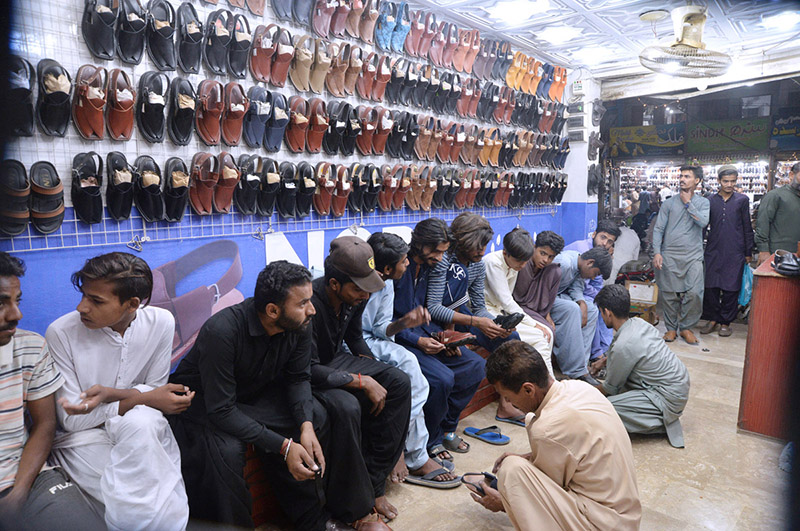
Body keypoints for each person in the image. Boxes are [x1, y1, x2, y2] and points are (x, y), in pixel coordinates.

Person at [169, 261, 385, 530]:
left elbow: (298, 378)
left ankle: (315, 521)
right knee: (227, 451)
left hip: (252, 395)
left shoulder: (301, 326)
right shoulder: (222, 331)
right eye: (303, 302)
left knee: (314, 416)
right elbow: (222, 410)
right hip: (203, 403)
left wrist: (305, 426)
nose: (312, 309)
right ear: (272, 310)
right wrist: (284, 446)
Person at [46, 252, 190, 530]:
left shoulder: (161, 322)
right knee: (141, 500)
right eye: (84, 295)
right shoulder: (61, 332)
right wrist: (144, 397)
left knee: (142, 423)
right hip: (83, 440)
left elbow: (153, 399)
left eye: (96, 300)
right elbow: (72, 420)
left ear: (132, 304)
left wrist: (112, 395)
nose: (81, 307)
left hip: (140, 428)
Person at [468, 340, 641, 530]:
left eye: (508, 397)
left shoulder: (548, 429)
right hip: (625, 517)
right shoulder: (578, 388)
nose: (509, 403)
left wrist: (505, 502)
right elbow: (574, 454)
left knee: (512, 469)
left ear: (528, 389)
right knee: (524, 448)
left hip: (601, 523)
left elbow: (541, 496)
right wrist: (531, 457)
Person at [309, 236, 411, 523]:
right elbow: (307, 369)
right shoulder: (309, 304)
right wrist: (361, 380)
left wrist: (373, 369)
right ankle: (355, 504)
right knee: (347, 406)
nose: (365, 296)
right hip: (311, 373)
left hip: (334, 362)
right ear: (333, 285)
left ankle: (374, 484)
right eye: (358, 289)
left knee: (398, 382)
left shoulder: (357, 294)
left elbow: (354, 337)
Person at [0, 252, 103, 531]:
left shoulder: (30, 347)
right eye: (1, 303)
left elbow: (45, 424)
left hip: (24, 476)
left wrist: (19, 494)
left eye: (16, 300)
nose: (16, 314)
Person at [364, 233, 459, 488]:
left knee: (414, 382)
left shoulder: (386, 283)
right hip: (354, 348)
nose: (407, 266)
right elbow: (351, 335)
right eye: (404, 262)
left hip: (377, 343)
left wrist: (405, 322)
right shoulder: (357, 283)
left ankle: (412, 454)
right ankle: (408, 454)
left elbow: (381, 327)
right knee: (415, 379)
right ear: (386, 268)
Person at [393, 219, 486, 465]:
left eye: (444, 252)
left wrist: (443, 338)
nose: (440, 257)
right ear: (419, 244)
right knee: (442, 379)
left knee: (474, 366)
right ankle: (431, 441)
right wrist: (420, 340)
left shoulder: (428, 268)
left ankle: (446, 429)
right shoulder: (400, 269)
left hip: (426, 335)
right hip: (403, 340)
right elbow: (388, 324)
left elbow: (428, 312)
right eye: (435, 251)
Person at [426, 212, 521, 432]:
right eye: (476, 246)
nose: (482, 251)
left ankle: (506, 404)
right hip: (436, 323)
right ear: (461, 241)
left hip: (462, 316)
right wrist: (477, 322)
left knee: (511, 340)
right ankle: (447, 427)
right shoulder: (444, 262)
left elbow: (479, 308)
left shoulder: (476, 264)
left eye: (484, 245)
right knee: (473, 367)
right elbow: (434, 308)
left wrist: (496, 324)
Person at [593, 285, 690, 448]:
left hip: (667, 397)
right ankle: (653, 415)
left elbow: (610, 388)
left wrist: (582, 393)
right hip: (679, 385)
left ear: (607, 312)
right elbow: (631, 352)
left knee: (601, 410)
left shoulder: (623, 345)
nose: (601, 317)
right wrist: (604, 361)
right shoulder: (638, 323)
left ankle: (659, 422)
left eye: (601, 313)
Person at [652, 165, 710, 345]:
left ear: (697, 181)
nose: (682, 179)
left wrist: (688, 204)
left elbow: (703, 222)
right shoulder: (669, 203)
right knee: (669, 294)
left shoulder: (703, 203)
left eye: (687, 176)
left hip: (693, 256)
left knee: (694, 293)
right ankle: (670, 328)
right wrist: (657, 252)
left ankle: (686, 327)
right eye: (681, 176)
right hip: (670, 254)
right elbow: (659, 229)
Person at [483, 228, 553, 375]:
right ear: (504, 253)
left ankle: (547, 381)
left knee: (548, 334)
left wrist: (534, 324)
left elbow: (507, 301)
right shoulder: (493, 263)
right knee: (540, 335)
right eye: (518, 261)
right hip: (487, 313)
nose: (522, 266)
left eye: (525, 262)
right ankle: (545, 382)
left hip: (502, 312)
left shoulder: (513, 264)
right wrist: (533, 324)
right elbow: (507, 301)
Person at [701, 165, 754, 337]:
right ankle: (713, 319)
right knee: (711, 287)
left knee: (731, 288)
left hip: (735, 251)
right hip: (713, 250)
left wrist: (748, 252)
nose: (729, 184)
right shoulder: (709, 200)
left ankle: (725, 322)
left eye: (732, 181)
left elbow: (747, 227)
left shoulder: (742, 200)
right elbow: (703, 226)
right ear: (719, 181)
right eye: (726, 181)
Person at [550, 246, 612, 385]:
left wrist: (582, 303)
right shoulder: (564, 263)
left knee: (591, 309)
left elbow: (576, 287)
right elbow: (543, 287)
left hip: (558, 297)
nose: (593, 277)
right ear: (590, 262)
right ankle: (574, 370)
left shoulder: (579, 264)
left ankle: (581, 367)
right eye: (595, 273)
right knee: (572, 309)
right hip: (544, 299)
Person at [564, 220, 621, 362]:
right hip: (567, 290)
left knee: (606, 303)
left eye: (610, 242)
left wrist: (602, 296)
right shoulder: (582, 248)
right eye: (603, 237)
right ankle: (597, 355)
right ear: (594, 234)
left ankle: (606, 350)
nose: (605, 244)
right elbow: (576, 283)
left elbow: (597, 284)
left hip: (582, 291)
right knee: (593, 306)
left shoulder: (602, 254)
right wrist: (595, 296)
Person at [512, 230, 564, 377]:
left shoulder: (551, 270)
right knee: (545, 332)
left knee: (550, 330)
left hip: (536, 311)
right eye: (542, 253)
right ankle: (537, 375)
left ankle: (542, 375)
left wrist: (547, 315)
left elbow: (548, 298)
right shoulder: (522, 263)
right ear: (534, 247)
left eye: (550, 256)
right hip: (516, 307)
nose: (545, 260)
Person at [755, 161, 800, 265]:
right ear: (791, 175)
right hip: (780, 254)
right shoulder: (776, 196)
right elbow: (763, 223)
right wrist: (763, 250)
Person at [606, 209, 641, 285]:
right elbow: (635, 259)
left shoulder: (607, 234)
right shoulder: (633, 234)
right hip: (627, 270)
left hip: (612, 271)